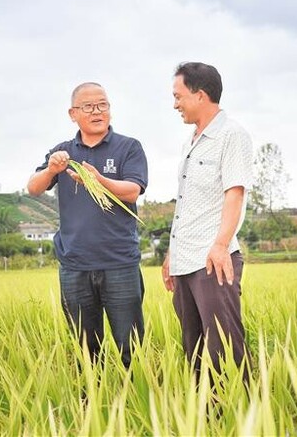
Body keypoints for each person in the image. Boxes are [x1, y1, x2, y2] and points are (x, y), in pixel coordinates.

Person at [27, 82, 148, 369]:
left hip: (119, 264)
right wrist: (52, 170)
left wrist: (98, 180)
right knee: (86, 350)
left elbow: (132, 190)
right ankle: (91, 406)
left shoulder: (128, 147)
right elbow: (33, 188)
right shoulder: (63, 152)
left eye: (103, 105)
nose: (97, 112)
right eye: (89, 107)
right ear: (73, 114)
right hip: (75, 266)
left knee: (129, 347)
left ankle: (133, 403)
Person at [161, 62, 253, 379]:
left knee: (224, 346)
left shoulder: (231, 135)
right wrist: (172, 254)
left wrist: (220, 244)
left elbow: (234, 194)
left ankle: (243, 415)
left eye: (178, 96)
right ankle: (205, 417)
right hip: (185, 261)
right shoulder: (191, 141)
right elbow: (187, 203)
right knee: (194, 348)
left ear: (200, 95)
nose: (175, 104)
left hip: (212, 260)